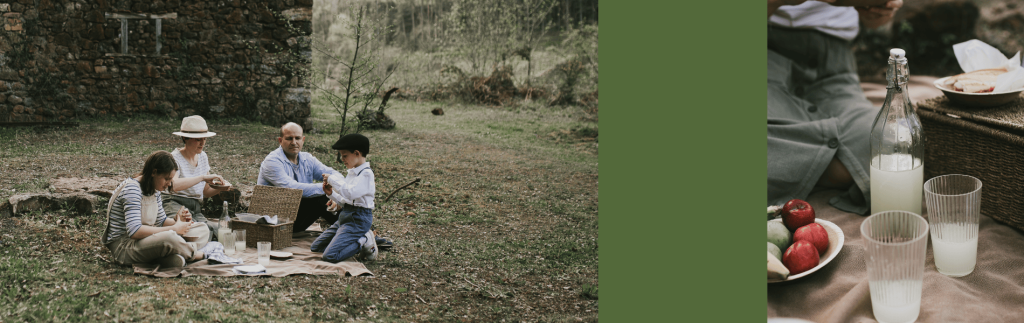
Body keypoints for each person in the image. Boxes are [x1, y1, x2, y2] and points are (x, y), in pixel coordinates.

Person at [767, 0, 902, 214]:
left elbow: (874, 21)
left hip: (835, 69)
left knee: (895, 142)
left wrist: (878, 12)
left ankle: (792, 169)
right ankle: (834, 167)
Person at [101, 151, 218, 267]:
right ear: (154, 172)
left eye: (171, 180)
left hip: (146, 241)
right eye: (167, 179)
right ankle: (198, 254)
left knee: (202, 228)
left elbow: (161, 221)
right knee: (170, 238)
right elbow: (134, 231)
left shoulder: (155, 188)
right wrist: (174, 229)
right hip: (125, 247)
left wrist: (179, 222)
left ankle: (169, 256)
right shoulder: (132, 189)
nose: (169, 183)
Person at [256, 122, 342, 232]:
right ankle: (353, 232)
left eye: (297, 138)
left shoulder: (307, 159)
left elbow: (334, 174)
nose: (294, 142)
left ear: (303, 140)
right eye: (289, 138)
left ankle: (353, 231)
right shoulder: (272, 161)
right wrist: (327, 189)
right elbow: (292, 188)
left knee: (340, 198)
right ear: (280, 140)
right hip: (275, 222)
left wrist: (338, 187)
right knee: (321, 198)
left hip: (295, 215)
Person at [311, 133, 378, 262]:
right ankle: (348, 240)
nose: (342, 159)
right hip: (345, 216)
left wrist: (332, 179)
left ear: (357, 153)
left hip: (358, 220)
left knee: (329, 256)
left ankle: (364, 240)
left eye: (345, 155)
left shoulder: (366, 174)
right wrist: (331, 194)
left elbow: (350, 193)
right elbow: (345, 200)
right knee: (316, 247)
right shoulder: (352, 173)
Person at [162, 115, 233, 235]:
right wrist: (202, 178)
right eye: (198, 139)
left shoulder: (203, 157)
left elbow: (205, 192)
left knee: (218, 233)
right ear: (185, 138)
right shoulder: (174, 158)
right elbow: (173, 185)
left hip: (195, 207)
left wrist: (221, 188)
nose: (202, 143)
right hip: (174, 203)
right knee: (193, 231)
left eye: (204, 139)